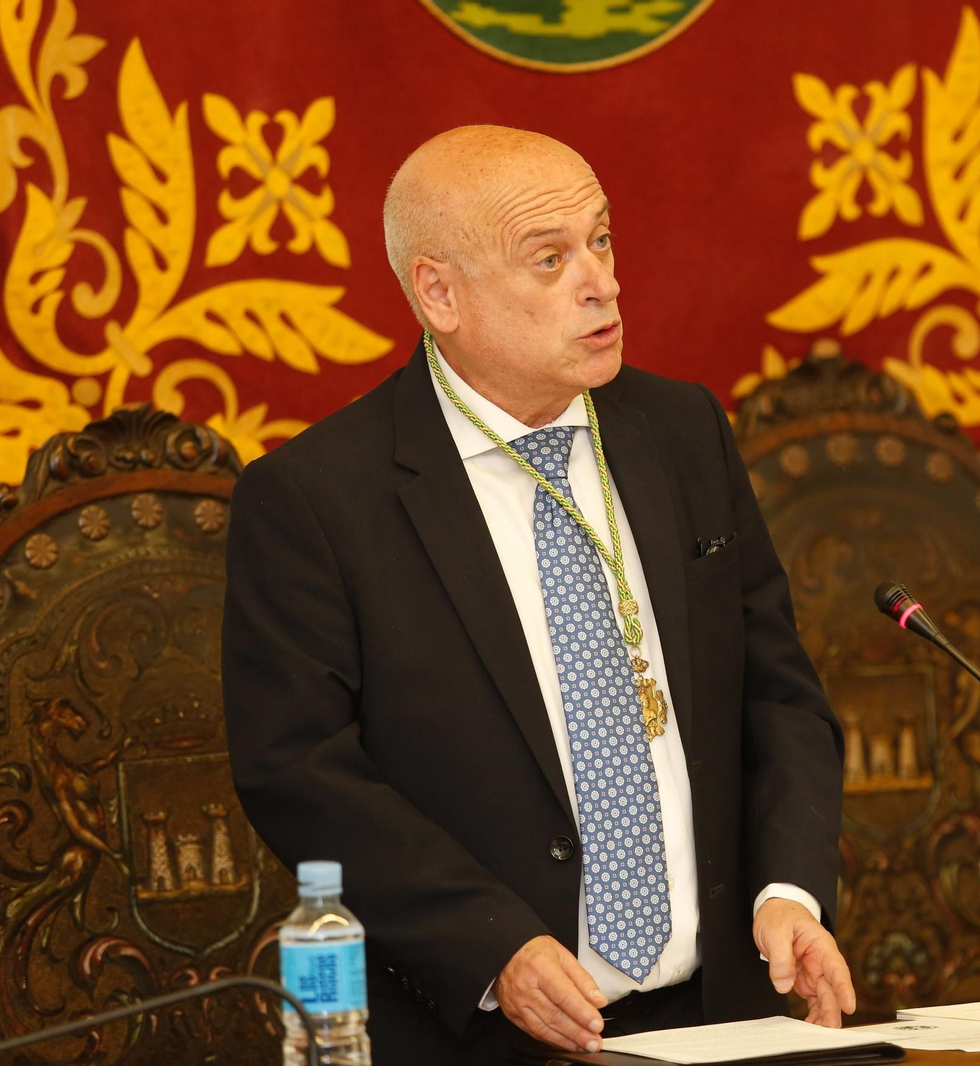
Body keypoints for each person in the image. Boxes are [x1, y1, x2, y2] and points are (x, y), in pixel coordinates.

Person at [222, 125, 853, 1064]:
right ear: (440, 293)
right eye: (549, 259)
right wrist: (488, 944)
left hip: (723, 1016)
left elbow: (778, 693)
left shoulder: (682, 432)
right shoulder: (316, 498)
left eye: (600, 240)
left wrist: (789, 893)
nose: (601, 282)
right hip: (481, 1033)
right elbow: (301, 771)